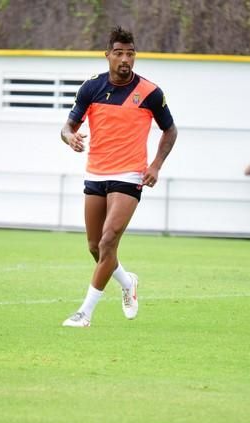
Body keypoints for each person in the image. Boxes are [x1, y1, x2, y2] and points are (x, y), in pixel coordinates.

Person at [60, 26, 178, 327]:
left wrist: (155, 166)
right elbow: (67, 127)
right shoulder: (91, 88)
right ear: (107, 55)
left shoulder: (151, 92)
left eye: (130, 53)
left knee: (109, 239)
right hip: (96, 173)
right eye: (119, 53)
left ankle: (84, 313)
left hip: (130, 174)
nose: (125, 59)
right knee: (94, 246)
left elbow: (170, 130)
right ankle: (127, 282)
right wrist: (69, 137)